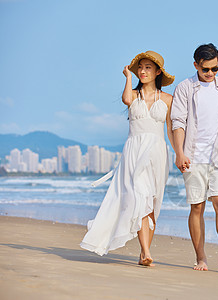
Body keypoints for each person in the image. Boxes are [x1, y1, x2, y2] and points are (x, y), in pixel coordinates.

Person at [80, 51, 175, 267]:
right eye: (140, 67)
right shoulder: (132, 95)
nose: (143, 71)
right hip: (134, 152)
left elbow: (171, 130)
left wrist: (180, 153)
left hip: (158, 153)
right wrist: (128, 77)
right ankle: (147, 250)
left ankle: (144, 254)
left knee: (151, 204)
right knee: (139, 197)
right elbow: (126, 99)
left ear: (158, 71)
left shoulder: (168, 99)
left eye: (148, 67)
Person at [171, 43, 218, 272]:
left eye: (215, 68)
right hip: (192, 156)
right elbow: (178, 122)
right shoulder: (185, 88)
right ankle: (201, 258)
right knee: (197, 207)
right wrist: (179, 152)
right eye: (206, 70)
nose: (211, 74)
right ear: (196, 66)